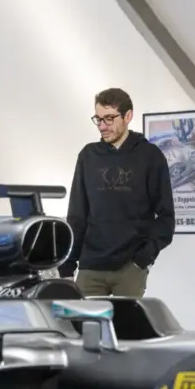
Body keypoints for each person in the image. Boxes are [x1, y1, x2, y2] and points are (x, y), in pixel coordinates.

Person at [58, 88, 175, 297]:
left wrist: (143, 259)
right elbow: (77, 215)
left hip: (129, 268)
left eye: (109, 119)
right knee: (83, 327)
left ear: (128, 116)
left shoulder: (150, 157)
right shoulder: (88, 156)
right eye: (98, 119)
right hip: (90, 268)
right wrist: (67, 265)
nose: (102, 126)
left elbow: (166, 217)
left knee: (126, 329)